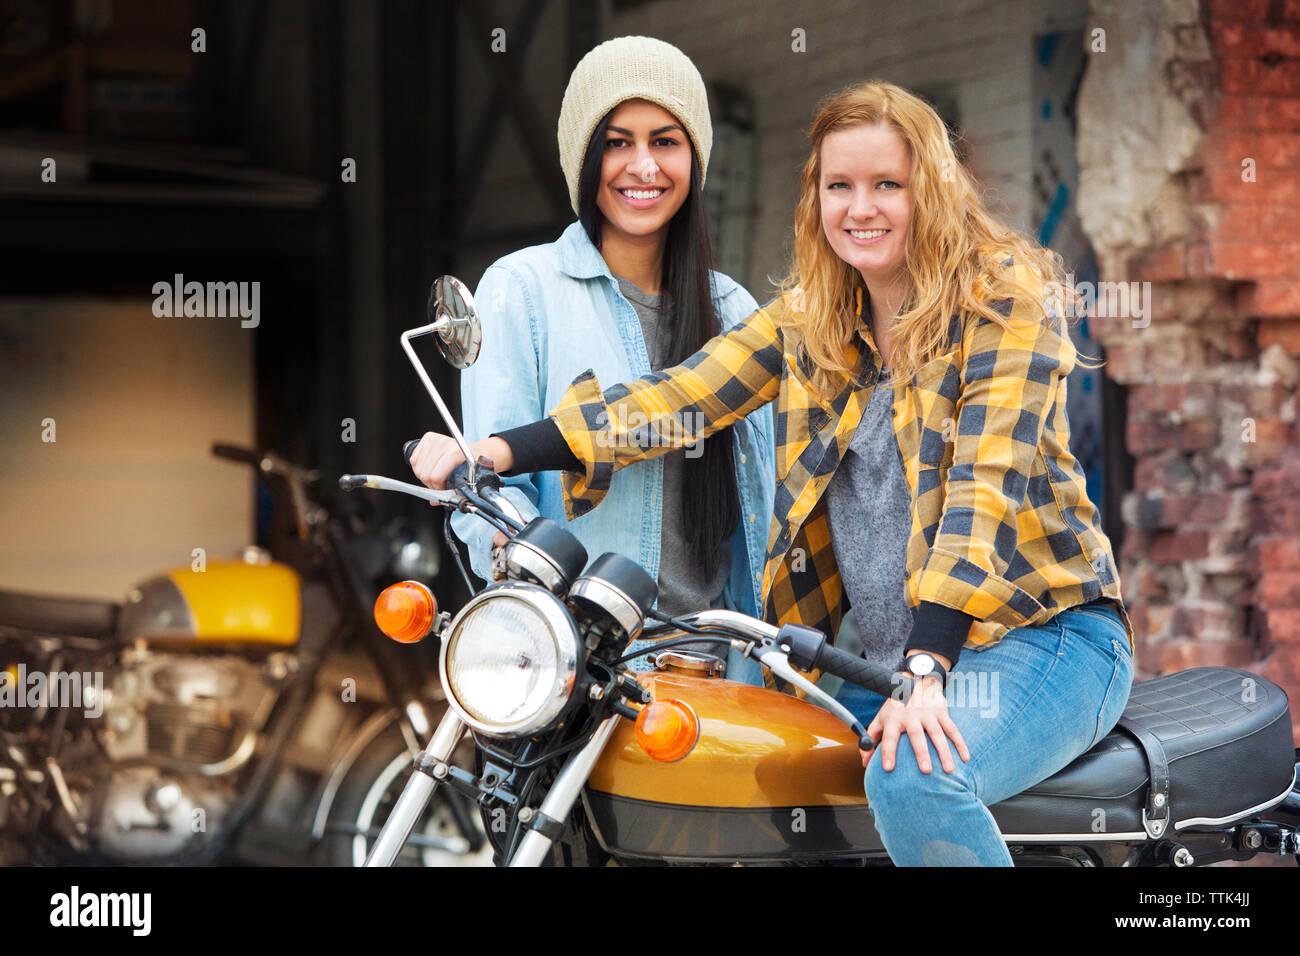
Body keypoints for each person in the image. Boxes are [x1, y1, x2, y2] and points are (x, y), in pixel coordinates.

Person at [413, 80, 1135, 867]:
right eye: (840, 187)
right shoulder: (816, 318)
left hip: (1045, 639)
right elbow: (679, 398)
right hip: (899, 663)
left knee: (916, 775)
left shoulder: (1001, 303)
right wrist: (497, 452)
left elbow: (981, 492)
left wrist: (928, 669)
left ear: (930, 188)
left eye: (887, 184)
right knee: (742, 761)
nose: (861, 208)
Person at [414, 36, 774, 683]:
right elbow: (491, 501)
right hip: (573, 672)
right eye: (617, 142)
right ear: (584, 158)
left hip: (717, 672)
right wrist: (521, 564)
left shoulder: (737, 309)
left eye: (666, 141)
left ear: (695, 156)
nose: (643, 166)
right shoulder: (521, 289)